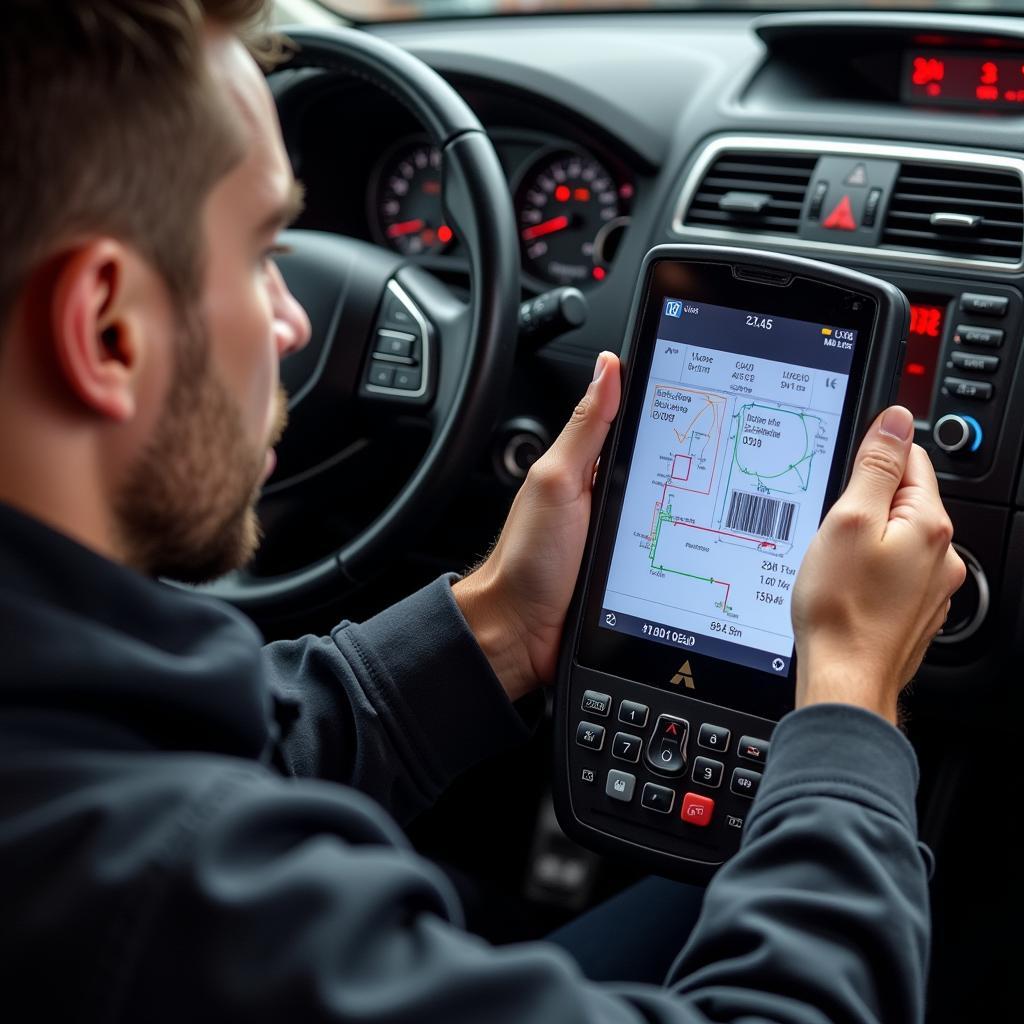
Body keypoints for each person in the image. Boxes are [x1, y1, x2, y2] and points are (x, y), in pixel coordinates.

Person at [0, 2, 966, 1021]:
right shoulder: (168, 903)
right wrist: (851, 708)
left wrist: (499, 619)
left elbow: (206, 745)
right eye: (262, 250)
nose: (294, 321)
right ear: (107, 329)